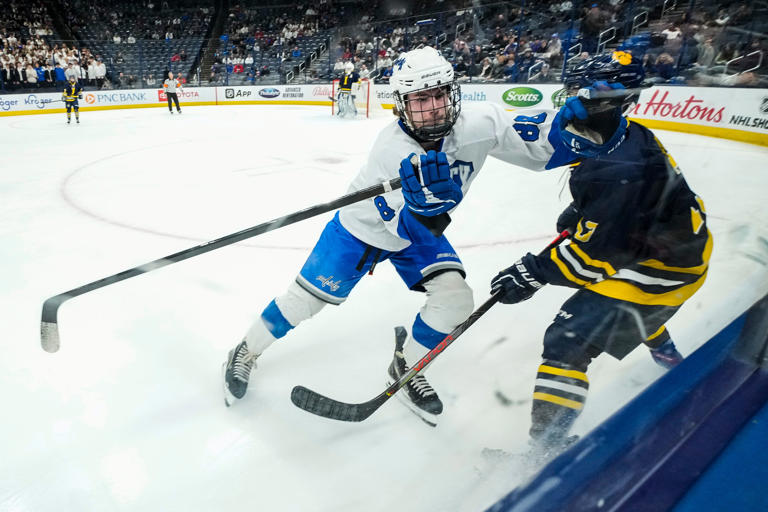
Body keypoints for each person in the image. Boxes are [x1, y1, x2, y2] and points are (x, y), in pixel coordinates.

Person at [222, 46, 606, 425]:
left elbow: (540, 149)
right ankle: (246, 349)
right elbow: (403, 225)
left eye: (440, 93)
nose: (435, 106)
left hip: (418, 231)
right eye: (422, 98)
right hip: (362, 230)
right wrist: (427, 210)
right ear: (402, 103)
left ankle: (404, 367)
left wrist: (582, 128)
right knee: (302, 302)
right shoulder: (393, 152)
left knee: (456, 301)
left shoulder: (481, 122)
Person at [489, 50, 711, 458]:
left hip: (666, 266)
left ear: (615, 100)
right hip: (668, 247)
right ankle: (666, 354)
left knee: (567, 339)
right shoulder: (627, 133)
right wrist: (584, 212)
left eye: (588, 90)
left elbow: (595, 261)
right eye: (577, 87)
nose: (575, 97)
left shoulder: (619, 169)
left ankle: (546, 450)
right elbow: (632, 210)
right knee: (625, 301)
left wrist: (533, 273)